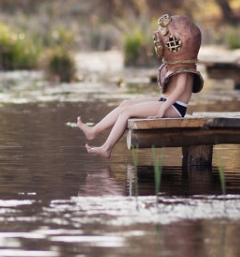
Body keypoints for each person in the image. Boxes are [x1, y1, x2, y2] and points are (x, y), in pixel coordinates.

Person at [77, 14, 204, 158]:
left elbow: (180, 89)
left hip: (174, 108)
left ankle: (107, 147)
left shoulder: (185, 70)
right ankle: (94, 131)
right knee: (125, 104)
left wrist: (162, 109)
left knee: (127, 112)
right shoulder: (176, 65)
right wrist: (161, 103)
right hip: (166, 101)